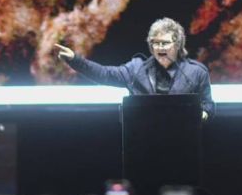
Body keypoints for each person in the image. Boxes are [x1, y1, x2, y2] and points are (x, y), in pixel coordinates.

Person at [55, 18, 215, 119]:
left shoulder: (197, 72)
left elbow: (208, 105)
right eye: (155, 42)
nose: (160, 47)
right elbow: (104, 74)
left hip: (183, 143)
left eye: (165, 43)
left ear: (178, 44)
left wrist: (204, 114)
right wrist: (74, 60)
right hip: (143, 142)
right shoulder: (136, 69)